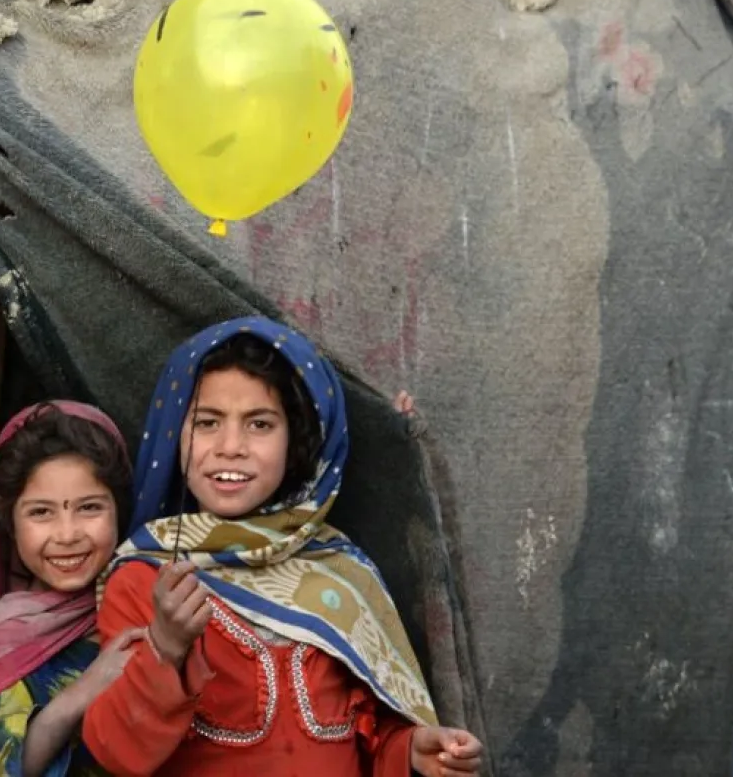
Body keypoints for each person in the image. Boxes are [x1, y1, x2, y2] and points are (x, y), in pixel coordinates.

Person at [81, 317, 483, 776]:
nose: (230, 446)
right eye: (208, 422)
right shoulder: (146, 578)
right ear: (175, 433)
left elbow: (366, 732)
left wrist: (409, 748)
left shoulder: (342, 574)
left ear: (296, 442)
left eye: (260, 424)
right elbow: (115, 752)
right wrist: (165, 647)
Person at [0, 401, 145, 777]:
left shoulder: (145, 604)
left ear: (121, 509)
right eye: (41, 512)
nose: (68, 534)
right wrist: (78, 696)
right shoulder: (13, 634)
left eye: (89, 508)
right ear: (9, 523)